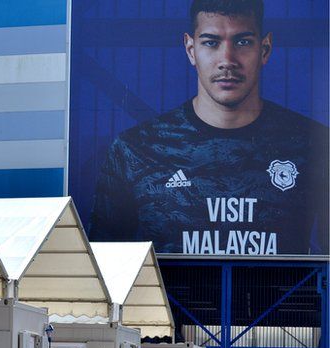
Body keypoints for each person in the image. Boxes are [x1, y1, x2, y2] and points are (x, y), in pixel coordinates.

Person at [90, 0, 329, 256]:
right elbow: (106, 272)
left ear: (265, 49)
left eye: (243, 41)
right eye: (211, 43)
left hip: (282, 297)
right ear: (191, 49)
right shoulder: (136, 149)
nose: (227, 60)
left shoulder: (316, 146)